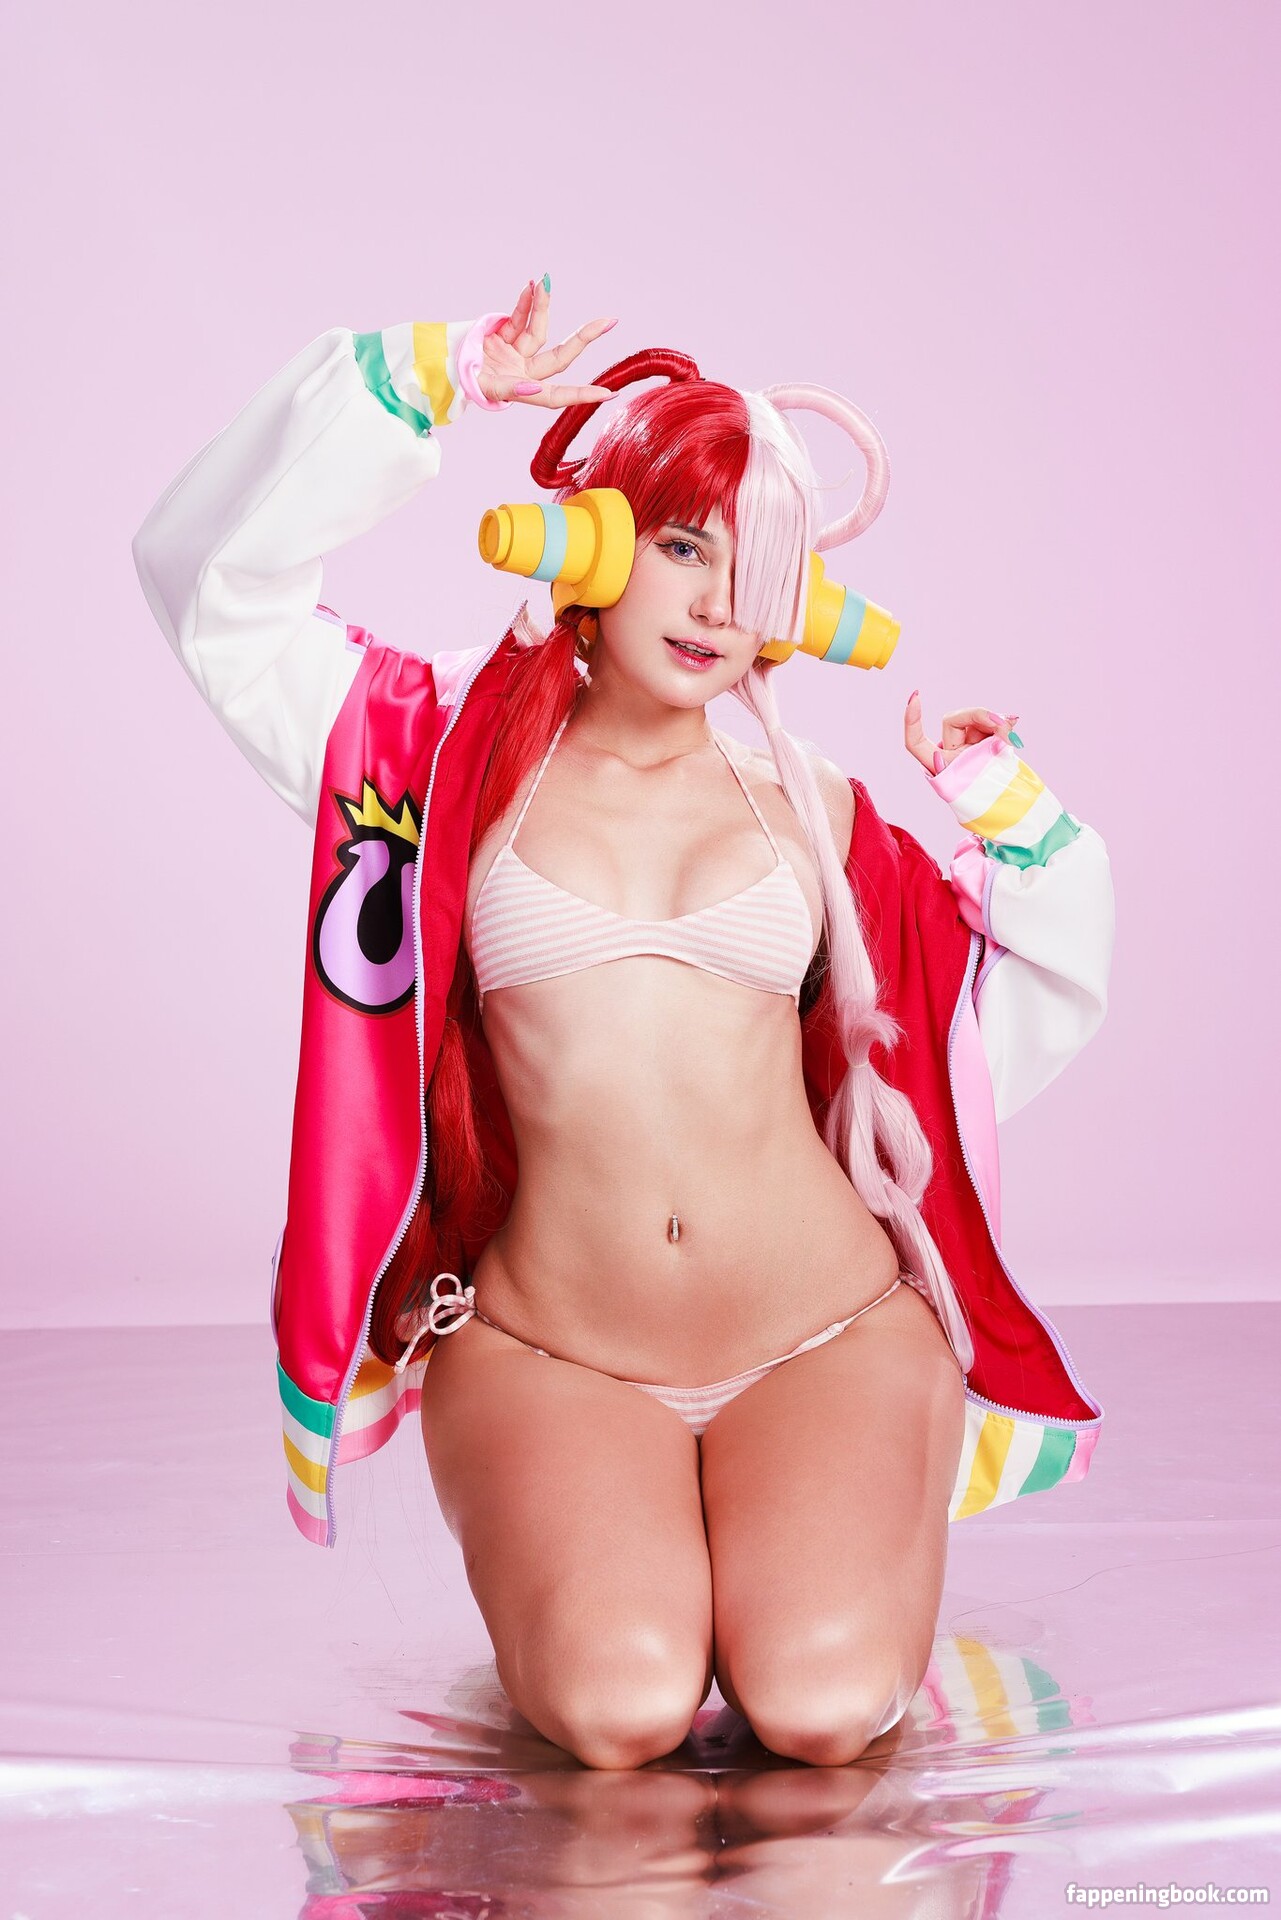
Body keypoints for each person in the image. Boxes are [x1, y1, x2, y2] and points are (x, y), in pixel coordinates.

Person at [132, 277, 1114, 1771]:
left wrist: (1010, 811)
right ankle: (646, 1566)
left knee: (822, 1706)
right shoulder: (434, 757)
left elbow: (975, 1028)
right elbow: (210, 582)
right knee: (618, 1710)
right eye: (681, 546)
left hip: (823, 1333)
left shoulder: (814, 809)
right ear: (596, 539)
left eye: (752, 567)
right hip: (554, 1351)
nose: (718, 605)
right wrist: (428, 379)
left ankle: (800, 1553)